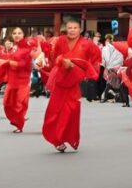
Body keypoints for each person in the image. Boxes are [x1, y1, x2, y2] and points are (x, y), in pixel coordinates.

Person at [41, 19, 98, 152]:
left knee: (71, 111)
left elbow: (95, 59)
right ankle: (57, 139)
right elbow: (55, 58)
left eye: (75, 27)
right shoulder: (61, 40)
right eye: (69, 28)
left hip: (74, 82)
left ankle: (70, 137)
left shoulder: (87, 44)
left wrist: (89, 71)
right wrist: (62, 61)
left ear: (80, 29)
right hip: (61, 80)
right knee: (55, 111)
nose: (72, 30)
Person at [0, 27, 36, 133]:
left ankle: (19, 123)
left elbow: (23, 65)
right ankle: (17, 120)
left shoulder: (26, 48)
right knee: (7, 103)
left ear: (24, 35)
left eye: (19, 33)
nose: (17, 35)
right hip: (12, 79)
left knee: (20, 103)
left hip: (22, 80)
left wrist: (7, 62)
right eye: (14, 33)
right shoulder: (15, 48)